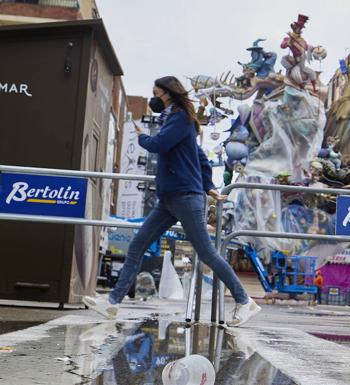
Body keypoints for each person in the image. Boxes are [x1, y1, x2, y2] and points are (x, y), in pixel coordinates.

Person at [83, 76, 261, 327]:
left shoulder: (179, 119)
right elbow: (200, 158)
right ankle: (112, 303)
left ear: (167, 93)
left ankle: (245, 302)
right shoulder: (174, 119)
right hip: (170, 198)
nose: (154, 97)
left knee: (207, 253)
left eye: (156, 93)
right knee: (137, 244)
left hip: (185, 197)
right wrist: (209, 186)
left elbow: (159, 145)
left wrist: (141, 136)